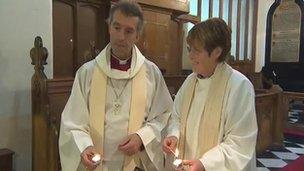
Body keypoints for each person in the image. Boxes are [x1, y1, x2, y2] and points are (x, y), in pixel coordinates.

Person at [59, 1, 173, 171]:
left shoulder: (152, 73)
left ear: (137, 35)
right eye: (117, 27)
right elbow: (73, 122)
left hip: (135, 164)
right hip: (96, 164)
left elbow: (165, 116)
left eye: (129, 31)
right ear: (109, 28)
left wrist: (142, 138)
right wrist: (84, 146)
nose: (121, 36)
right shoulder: (87, 72)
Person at [162, 18, 258, 171]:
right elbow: (176, 116)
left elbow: (240, 142)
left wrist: (205, 164)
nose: (190, 56)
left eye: (196, 50)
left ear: (217, 52)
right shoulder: (190, 82)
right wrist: (174, 135)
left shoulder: (240, 86)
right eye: (189, 49)